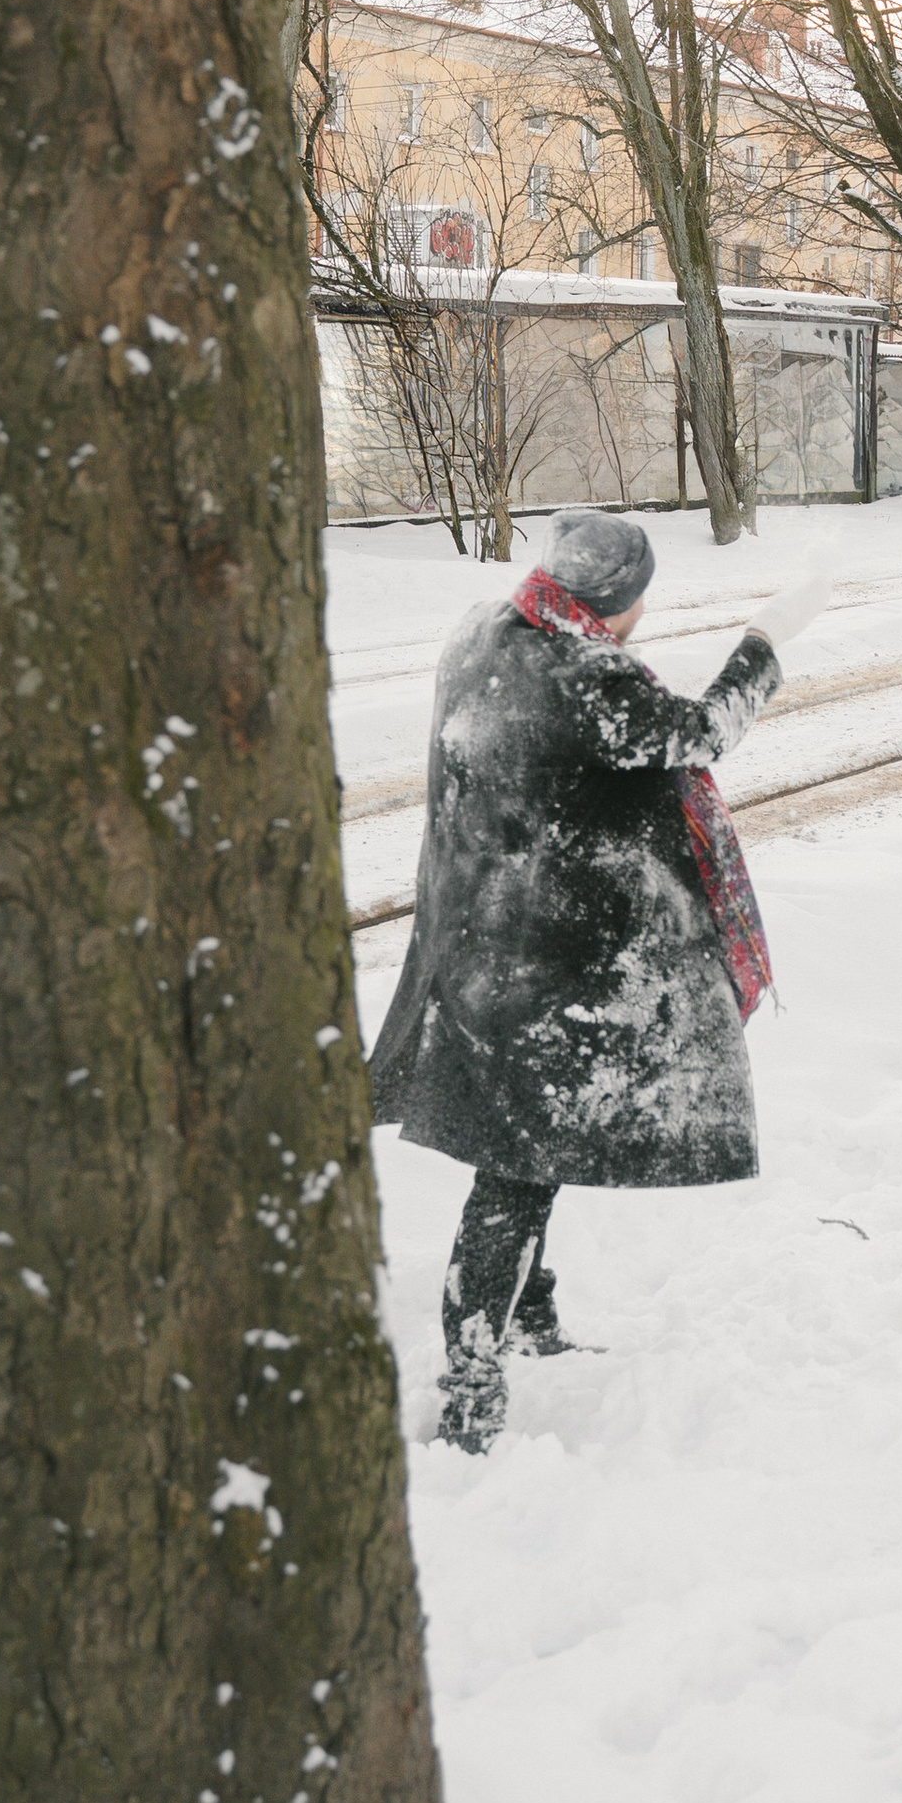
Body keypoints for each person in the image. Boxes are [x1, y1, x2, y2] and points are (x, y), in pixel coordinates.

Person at [370, 506, 826, 1452]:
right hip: (538, 969)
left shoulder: (486, 633)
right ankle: (468, 1395)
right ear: (622, 604)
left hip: (477, 946)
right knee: (516, 1175)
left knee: (530, 1150)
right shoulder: (590, 678)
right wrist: (765, 639)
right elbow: (700, 731)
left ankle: (528, 1325)